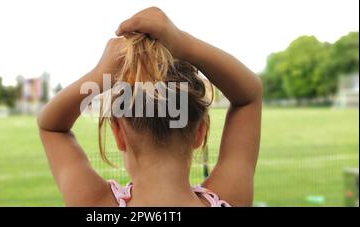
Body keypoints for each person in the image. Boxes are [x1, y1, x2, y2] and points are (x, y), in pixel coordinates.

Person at [37, 7, 262, 207]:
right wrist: (185, 44)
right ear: (200, 133)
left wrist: (100, 74)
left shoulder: (94, 203)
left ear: (118, 134)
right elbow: (248, 96)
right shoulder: (230, 198)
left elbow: (51, 126)